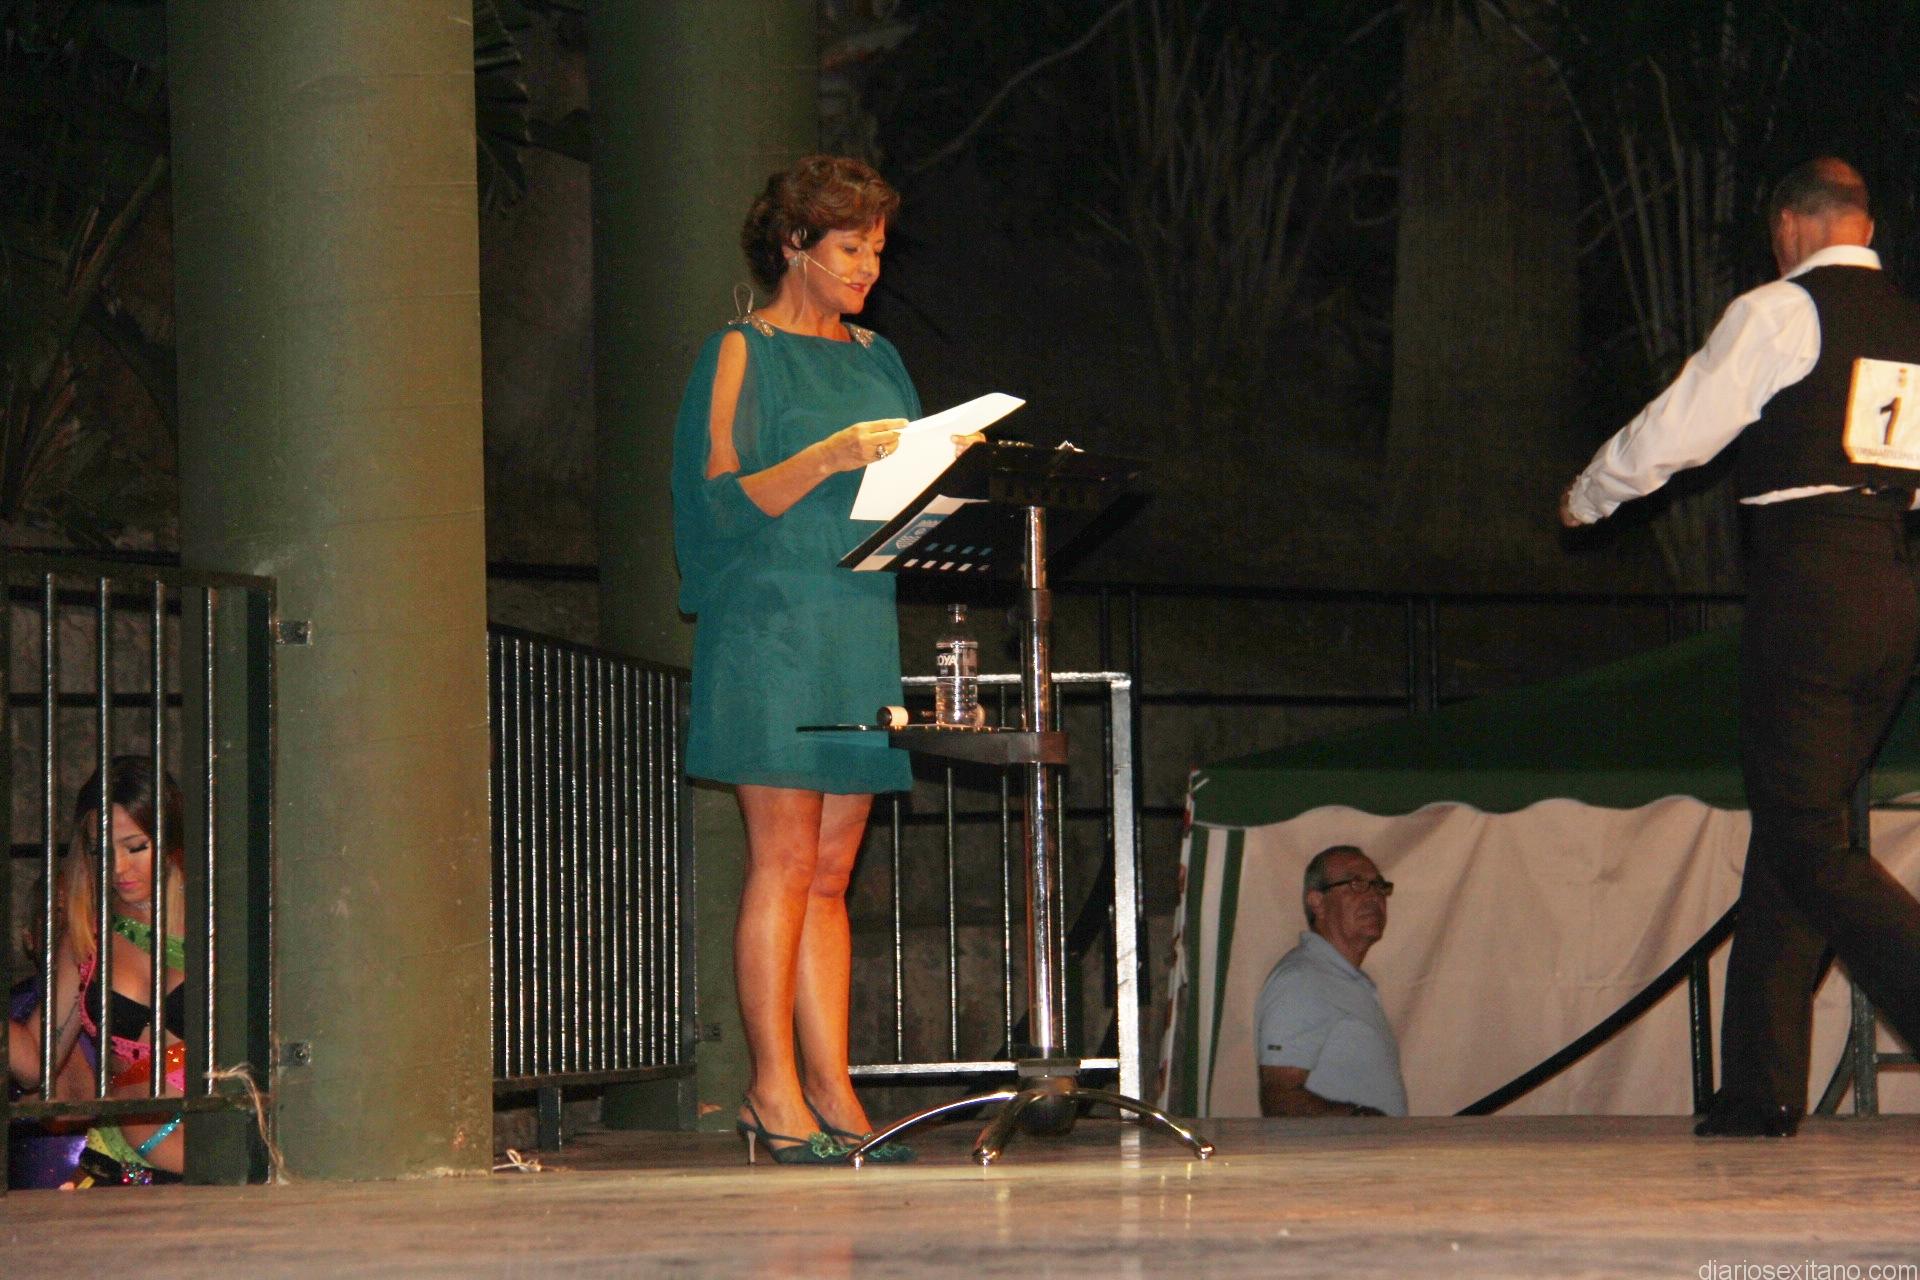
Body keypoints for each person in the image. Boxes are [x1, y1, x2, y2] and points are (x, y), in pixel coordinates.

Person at [1561, 157, 1920, 1137]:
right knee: (1795, 832)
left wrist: (1589, 493)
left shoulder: (1780, 309)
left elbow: (1680, 427)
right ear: (1865, 226)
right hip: (1892, 587)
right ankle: (1758, 1088)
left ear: (1790, 226)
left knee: (1805, 838)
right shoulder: (1908, 323)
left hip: (1810, 584)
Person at [671, 155, 975, 1164]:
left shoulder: (881, 356)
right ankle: (770, 1088)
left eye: (877, 249)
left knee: (835, 873)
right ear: (795, 244)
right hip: (770, 627)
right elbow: (714, 500)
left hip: (856, 623)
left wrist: (947, 475)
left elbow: (910, 491)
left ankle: (834, 1087)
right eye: (850, 248)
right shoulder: (741, 349)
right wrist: (827, 457)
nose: (869, 268)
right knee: (786, 859)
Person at [7, 756, 188, 1183]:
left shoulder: (218, 923)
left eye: (135, 847)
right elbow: (35, 1064)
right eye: (101, 850)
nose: (118, 868)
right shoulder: (87, 939)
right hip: (119, 1168)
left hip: (225, 1157)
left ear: (171, 838)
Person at [1254, 845, 1408, 1117]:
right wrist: (1357, 1120)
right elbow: (1279, 1097)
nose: (1374, 896)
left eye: (1379, 886)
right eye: (1356, 884)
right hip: (1343, 1147)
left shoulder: (1344, 980)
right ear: (1317, 902)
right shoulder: (1301, 980)